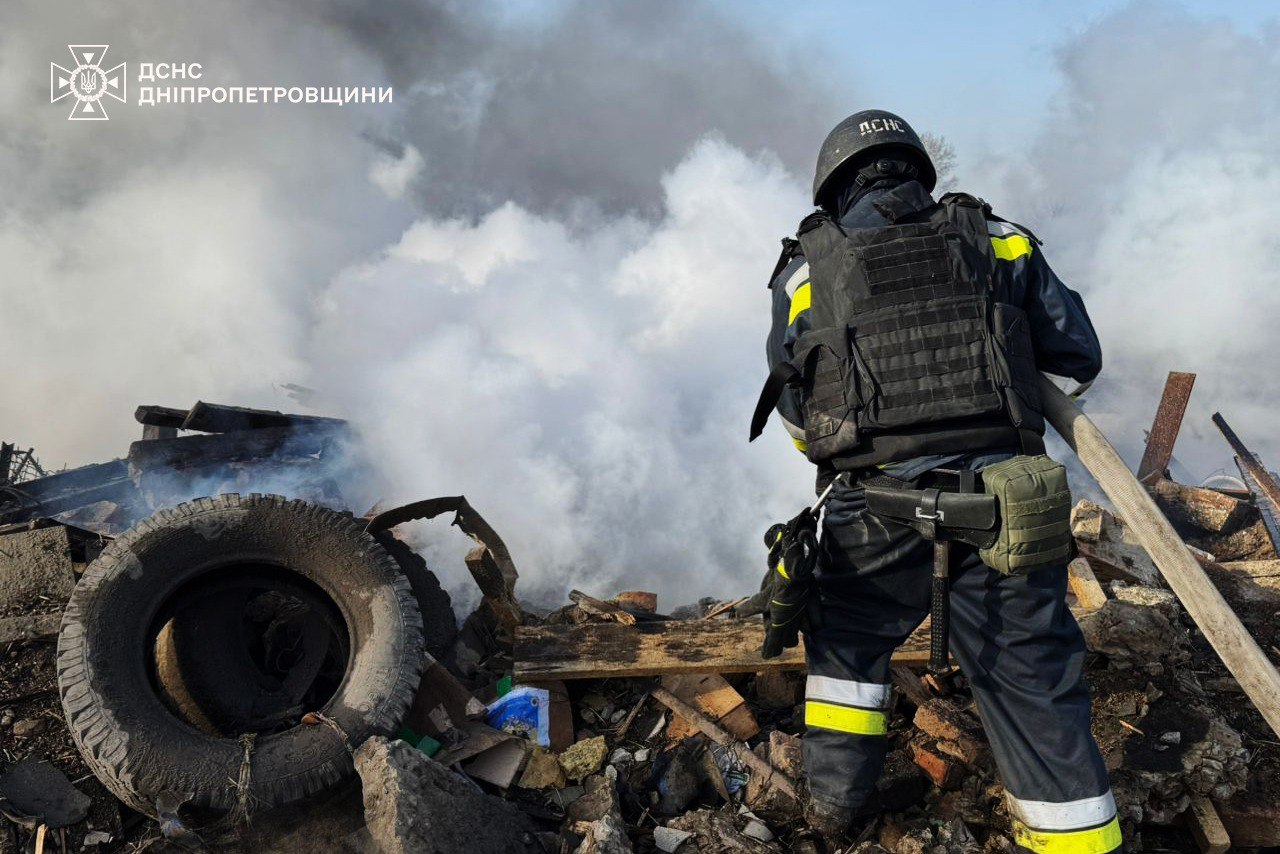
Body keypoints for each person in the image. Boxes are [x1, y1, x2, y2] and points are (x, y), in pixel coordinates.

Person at [755, 110, 1119, 853]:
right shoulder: (999, 239)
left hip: (874, 507)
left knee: (846, 645)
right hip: (1004, 506)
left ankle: (832, 813)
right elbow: (1078, 359)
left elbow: (800, 416)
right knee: (1031, 677)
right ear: (918, 169)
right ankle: (1078, 839)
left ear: (833, 186)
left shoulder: (806, 268)